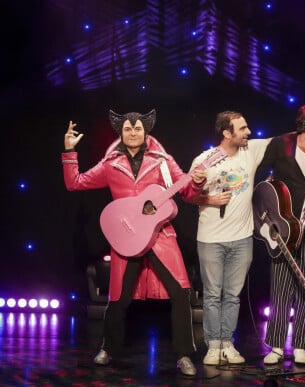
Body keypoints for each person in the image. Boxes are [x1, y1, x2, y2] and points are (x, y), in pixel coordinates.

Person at [61, 109, 205, 377]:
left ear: (146, 131)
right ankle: (108, 348)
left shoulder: (163, 161)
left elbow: (185, 191)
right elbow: (75, 183)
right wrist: (70, 152)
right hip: (127, 237)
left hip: (159, 236)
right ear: (121, 133)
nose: (133, 133)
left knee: (181, 292)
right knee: (118, 297)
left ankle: (184, 354)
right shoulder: (110, 164)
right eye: (127, 129)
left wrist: (196, 182)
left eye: (137, 128)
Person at [189, 111, 271, 366]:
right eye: (243, 128)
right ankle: (213, 346)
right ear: (227, 133)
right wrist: (209, 199)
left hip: (242, 238)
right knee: (213, 294)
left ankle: (228, 343)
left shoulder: (251, 151)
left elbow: (282, 142)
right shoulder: (204, 161)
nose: (249, 132)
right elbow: (187, 196)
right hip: (211, 238)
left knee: (233, 295)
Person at [258, 101, 305, 365]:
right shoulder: (282, 144)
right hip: (284, 227)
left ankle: (302, 344)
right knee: (280, 285)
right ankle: (277, 345)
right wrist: (266, 215)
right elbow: (261, 178)